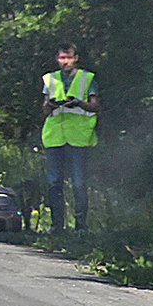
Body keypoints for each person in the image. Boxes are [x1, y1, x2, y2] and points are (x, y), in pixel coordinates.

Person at [41, 42, 99, 231]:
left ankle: (80, 226)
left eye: (68, 58)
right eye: (61, 58)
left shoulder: (87, 78)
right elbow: (44, 109)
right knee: (53, 183)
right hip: (55, 137)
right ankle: (57, 226)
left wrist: (79, 104)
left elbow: (95, 106)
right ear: (56, 59)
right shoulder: (50, 79)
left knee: (79, 183)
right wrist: (51, 104)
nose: (64, 62)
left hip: (78, 138)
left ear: (75, 58)